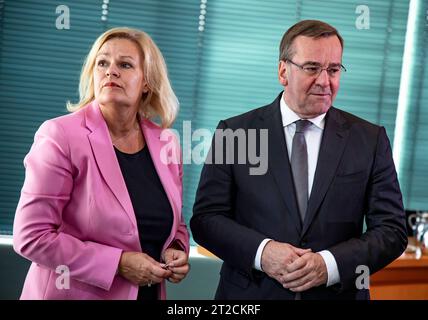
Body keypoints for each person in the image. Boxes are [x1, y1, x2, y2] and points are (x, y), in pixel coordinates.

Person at [191, 20, 407, 300]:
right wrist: (263, 252)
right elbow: (206, 220)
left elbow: (392, 231)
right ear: (283, 71)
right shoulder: (234, 133)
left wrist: (328, 265)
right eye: (312, 68)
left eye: (333, 69)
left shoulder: (370, 139)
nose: (324, 81)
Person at [13, 27, 190, 300]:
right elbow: (31, 236)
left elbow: (174, 222)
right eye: (102, 63)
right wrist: (118, 263)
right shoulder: (60, 135)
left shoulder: (167, 143)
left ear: (147, 82)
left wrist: (177, 246)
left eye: (125, 64)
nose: (111, 71)